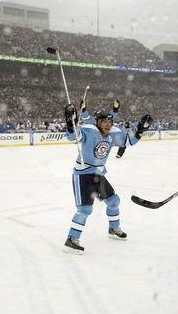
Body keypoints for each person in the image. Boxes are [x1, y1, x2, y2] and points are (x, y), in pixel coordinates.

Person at [62, 101, 152, 254]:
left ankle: (113, 228)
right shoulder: (89, 130)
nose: (108, 124)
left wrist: (141, 129)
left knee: (114, 201)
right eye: (105, 121)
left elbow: (129, 140)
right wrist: (71, 122)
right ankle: (71, 239)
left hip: (98, 175)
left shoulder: (113, 134)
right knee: (85, 209)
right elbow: (73, 136)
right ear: (98, 122)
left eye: (110, 121)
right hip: (83, 174)